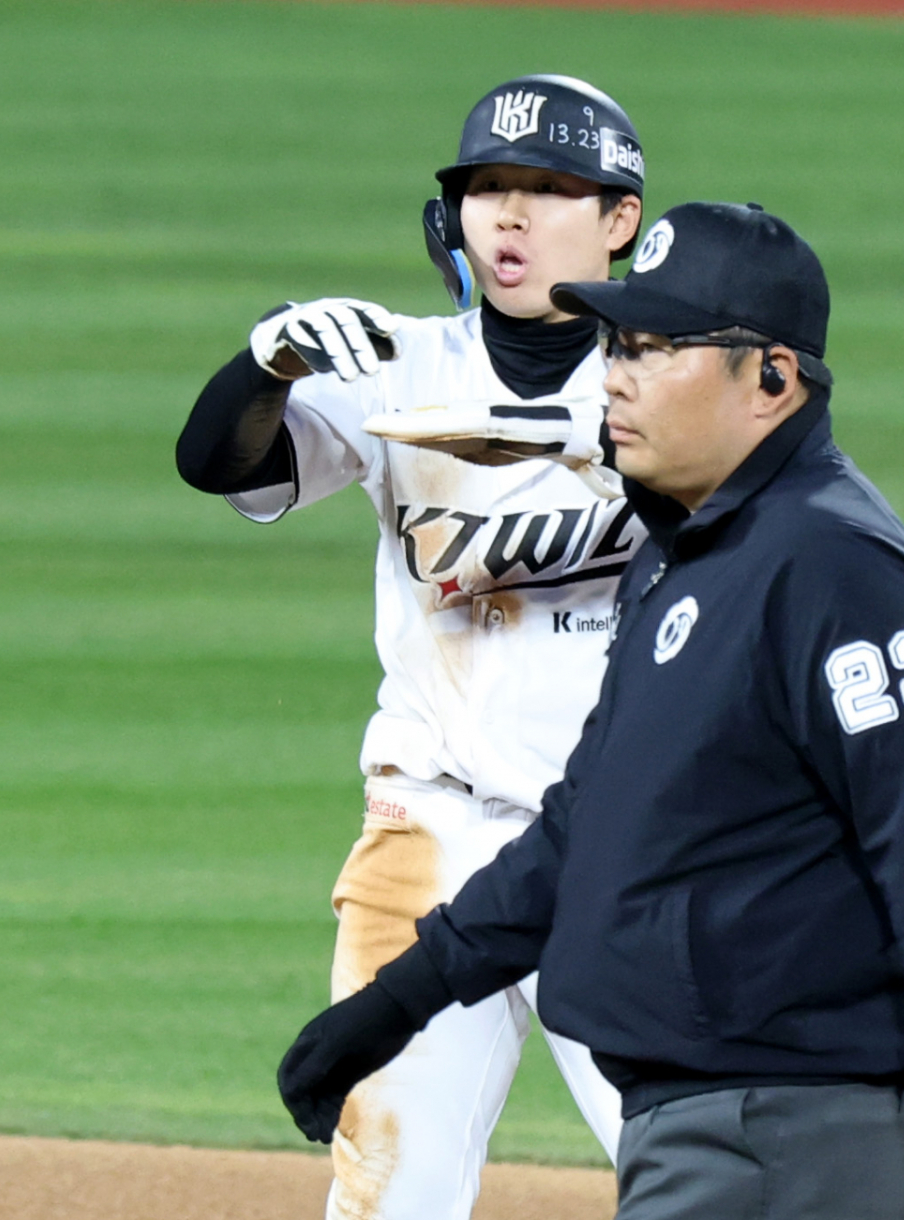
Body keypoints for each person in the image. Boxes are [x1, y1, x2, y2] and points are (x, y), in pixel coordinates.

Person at [276, 202, 904, 1220]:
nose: (614, 376)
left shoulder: (830, 567)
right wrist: (403, 997)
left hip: (787, 1128)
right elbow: (585, 822)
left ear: (772, 377)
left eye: (654, 348)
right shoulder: (683, 556)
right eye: (615, 344)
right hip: (707, 1122)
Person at [176, 75, 646, 1220]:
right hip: (430, 825)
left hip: (624, 840)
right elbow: (220, 462)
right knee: (394, 1191)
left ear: (620, 219)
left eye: (550, 189)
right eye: (489, 187)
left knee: (697, 1170)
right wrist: (267, 364)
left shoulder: (672, 380)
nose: (512, 214)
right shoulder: (404, 367)